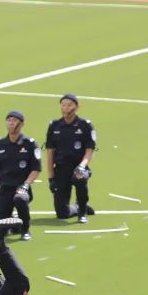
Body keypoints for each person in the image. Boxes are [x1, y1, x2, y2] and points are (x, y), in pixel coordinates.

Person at [0, 110, 41, 241]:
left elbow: (36, 169)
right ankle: (14, 223)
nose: (11, 122)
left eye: (14, 120)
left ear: (21, 124)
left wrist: (25, 185)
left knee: (20, 199)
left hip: (21, 187)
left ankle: (25, 228)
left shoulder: (30, 144)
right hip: (5, 189)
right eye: (9, 120)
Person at [45, 94, 96, 223]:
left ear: (77, 107)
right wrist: (51, 177)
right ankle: (77, 207)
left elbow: (89, 150)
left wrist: (82, 166)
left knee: (79, 177)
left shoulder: (85, 125)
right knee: (62, 214)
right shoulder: (54, 126)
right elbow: (50, 152)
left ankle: (82, 212)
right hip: (61, 169)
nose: (66, 108)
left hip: (79, 166)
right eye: (63, 105)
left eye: (69, 105)